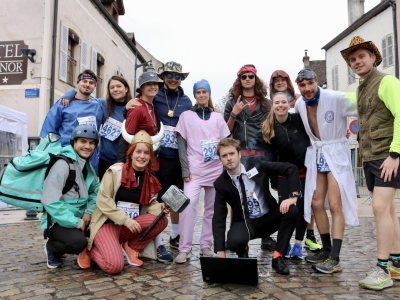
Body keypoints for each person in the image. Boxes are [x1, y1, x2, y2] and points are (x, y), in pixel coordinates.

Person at [341, 36, 400, 290]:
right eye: (353, 59)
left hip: (387, 157)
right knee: (388, 211)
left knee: (378, 208)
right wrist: (314, 95)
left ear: (374, 57)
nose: (357, 62)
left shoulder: (387, 82)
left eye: (361, 56)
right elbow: (345, 99)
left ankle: (382, 268)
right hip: (371, 156)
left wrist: (395, 155)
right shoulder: (361, 88)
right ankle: (396, 263)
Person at [76, 129, 169, 274]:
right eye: (138, 151)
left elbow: (151, 205)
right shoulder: (114, 172)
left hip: (127, 227)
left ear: (151, 157)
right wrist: (125, 220)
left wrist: (161, 209)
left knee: (161, 220)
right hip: (107, 224)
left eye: (146, 153)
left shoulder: (150, 178)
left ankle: (132, 247)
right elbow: (103, 201)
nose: (142, 156)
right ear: (131, 153)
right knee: (114, 267)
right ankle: (90, 249)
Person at [294, 68, 359, 274]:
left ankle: (336, 258)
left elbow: (364, 106)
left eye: (310, 84)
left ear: (316, 82)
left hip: (336, 152)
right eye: (302, 86)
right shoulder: (299, 104)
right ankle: (326, 249)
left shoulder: (335, 97)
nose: (307, 89)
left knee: (334, 203)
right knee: (315, 202)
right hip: (319, 152)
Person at [124, 62, 192, 251]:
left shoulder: (186, 101)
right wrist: (126, 107)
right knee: (159, 198)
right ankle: (155, 237)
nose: (173, 79)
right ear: (163, 77)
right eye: (169, 75)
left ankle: (175, 234)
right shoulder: (155, 96)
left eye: (177, 76)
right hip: (159, 157)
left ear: (182, 79)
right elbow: (136, 112)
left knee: (176, 196)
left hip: (178, 155)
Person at [212, 138, 299, 275]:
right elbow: (218, 218)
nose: (229, 158)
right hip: (246, 223)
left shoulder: (255, 164)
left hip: (268, 218)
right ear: (220, 160)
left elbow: (290, 168)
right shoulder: (221, 184)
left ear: (239, 154)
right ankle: (243, 249)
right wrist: (220, 253)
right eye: (224, 156)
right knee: (233, 242)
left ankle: (278, 256)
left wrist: (293, 196)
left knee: (292, 211)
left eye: (232, 153)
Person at [118, 71, 173, 263]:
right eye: (148, 84)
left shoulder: (150, 106)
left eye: (156, 84)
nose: (153, 87)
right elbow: (126, 137)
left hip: (151, 163)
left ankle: (153, 245)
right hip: (138, 166)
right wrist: (122, 164)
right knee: (146, 205)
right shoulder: (137, 108)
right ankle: (143, 245)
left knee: (151, 203)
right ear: (140, 87)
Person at [174, 79, 230, 263]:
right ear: (195, 95)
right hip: (194, 169)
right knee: (188, 206)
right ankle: (184, 248)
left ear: (209, 94)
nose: (202, 95)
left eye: (204, 92)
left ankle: (206, 244)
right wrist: (184, 169)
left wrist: (226, 169)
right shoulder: (186, 116)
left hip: (215, 169)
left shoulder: (218, 117)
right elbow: (181, 144)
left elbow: (225, 143)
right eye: (198, 92)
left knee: (212, 210)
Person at [223, 64, 276, 251]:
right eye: (243, 76)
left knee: (262, 195)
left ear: (255, 79)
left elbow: (273, 129)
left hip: (261, 155)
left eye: (250, 76)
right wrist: (234, 113)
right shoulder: (232, 102)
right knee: (237, 197)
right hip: (239, 156)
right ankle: (236, 234)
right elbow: (225, 131)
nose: (247, 79)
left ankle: (266, 235)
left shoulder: (266, 103)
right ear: (239, 79)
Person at [268, 70, 322, 253]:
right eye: (277, 103)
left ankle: (299, 243)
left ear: (288, 104)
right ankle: (285, 244)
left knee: (302, 208)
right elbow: (271, 156)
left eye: (284, 102)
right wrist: (274, 180)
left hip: (304, 171)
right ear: (272, 105)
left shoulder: (299, 119)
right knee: (287, 210)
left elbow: (316, 128)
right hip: (285, 174)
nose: (281, 105)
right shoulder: (269, 128)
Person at [42, 124, 100, 269]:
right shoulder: (63, 164)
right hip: (57, 220)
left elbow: (95, 192)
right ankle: (52, 248)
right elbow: (50, 200)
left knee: (102, 232)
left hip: (79, 217)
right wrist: (76, 222)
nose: (87, 146)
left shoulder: (87, 166)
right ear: (74, 142)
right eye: (83, 141)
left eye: (91, 142)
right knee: (78, 243)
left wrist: (89, 211)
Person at [61, 75, 132, 179]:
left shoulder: (133, 107)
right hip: (104, 160)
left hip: (124, 160)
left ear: (126, 89)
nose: (115, 90)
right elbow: (85, 97)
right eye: (112, 87)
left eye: (119, 86)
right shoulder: (103, 104)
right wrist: (70, 93)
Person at [40, 69, 104, 174]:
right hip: (65, 157)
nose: (87, 84)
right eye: (84, 81)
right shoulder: (63, 103)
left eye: (91, 83)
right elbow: (48, 133)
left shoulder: (99, 105)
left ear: (94, 86)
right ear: (77, 83)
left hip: (90, 159)